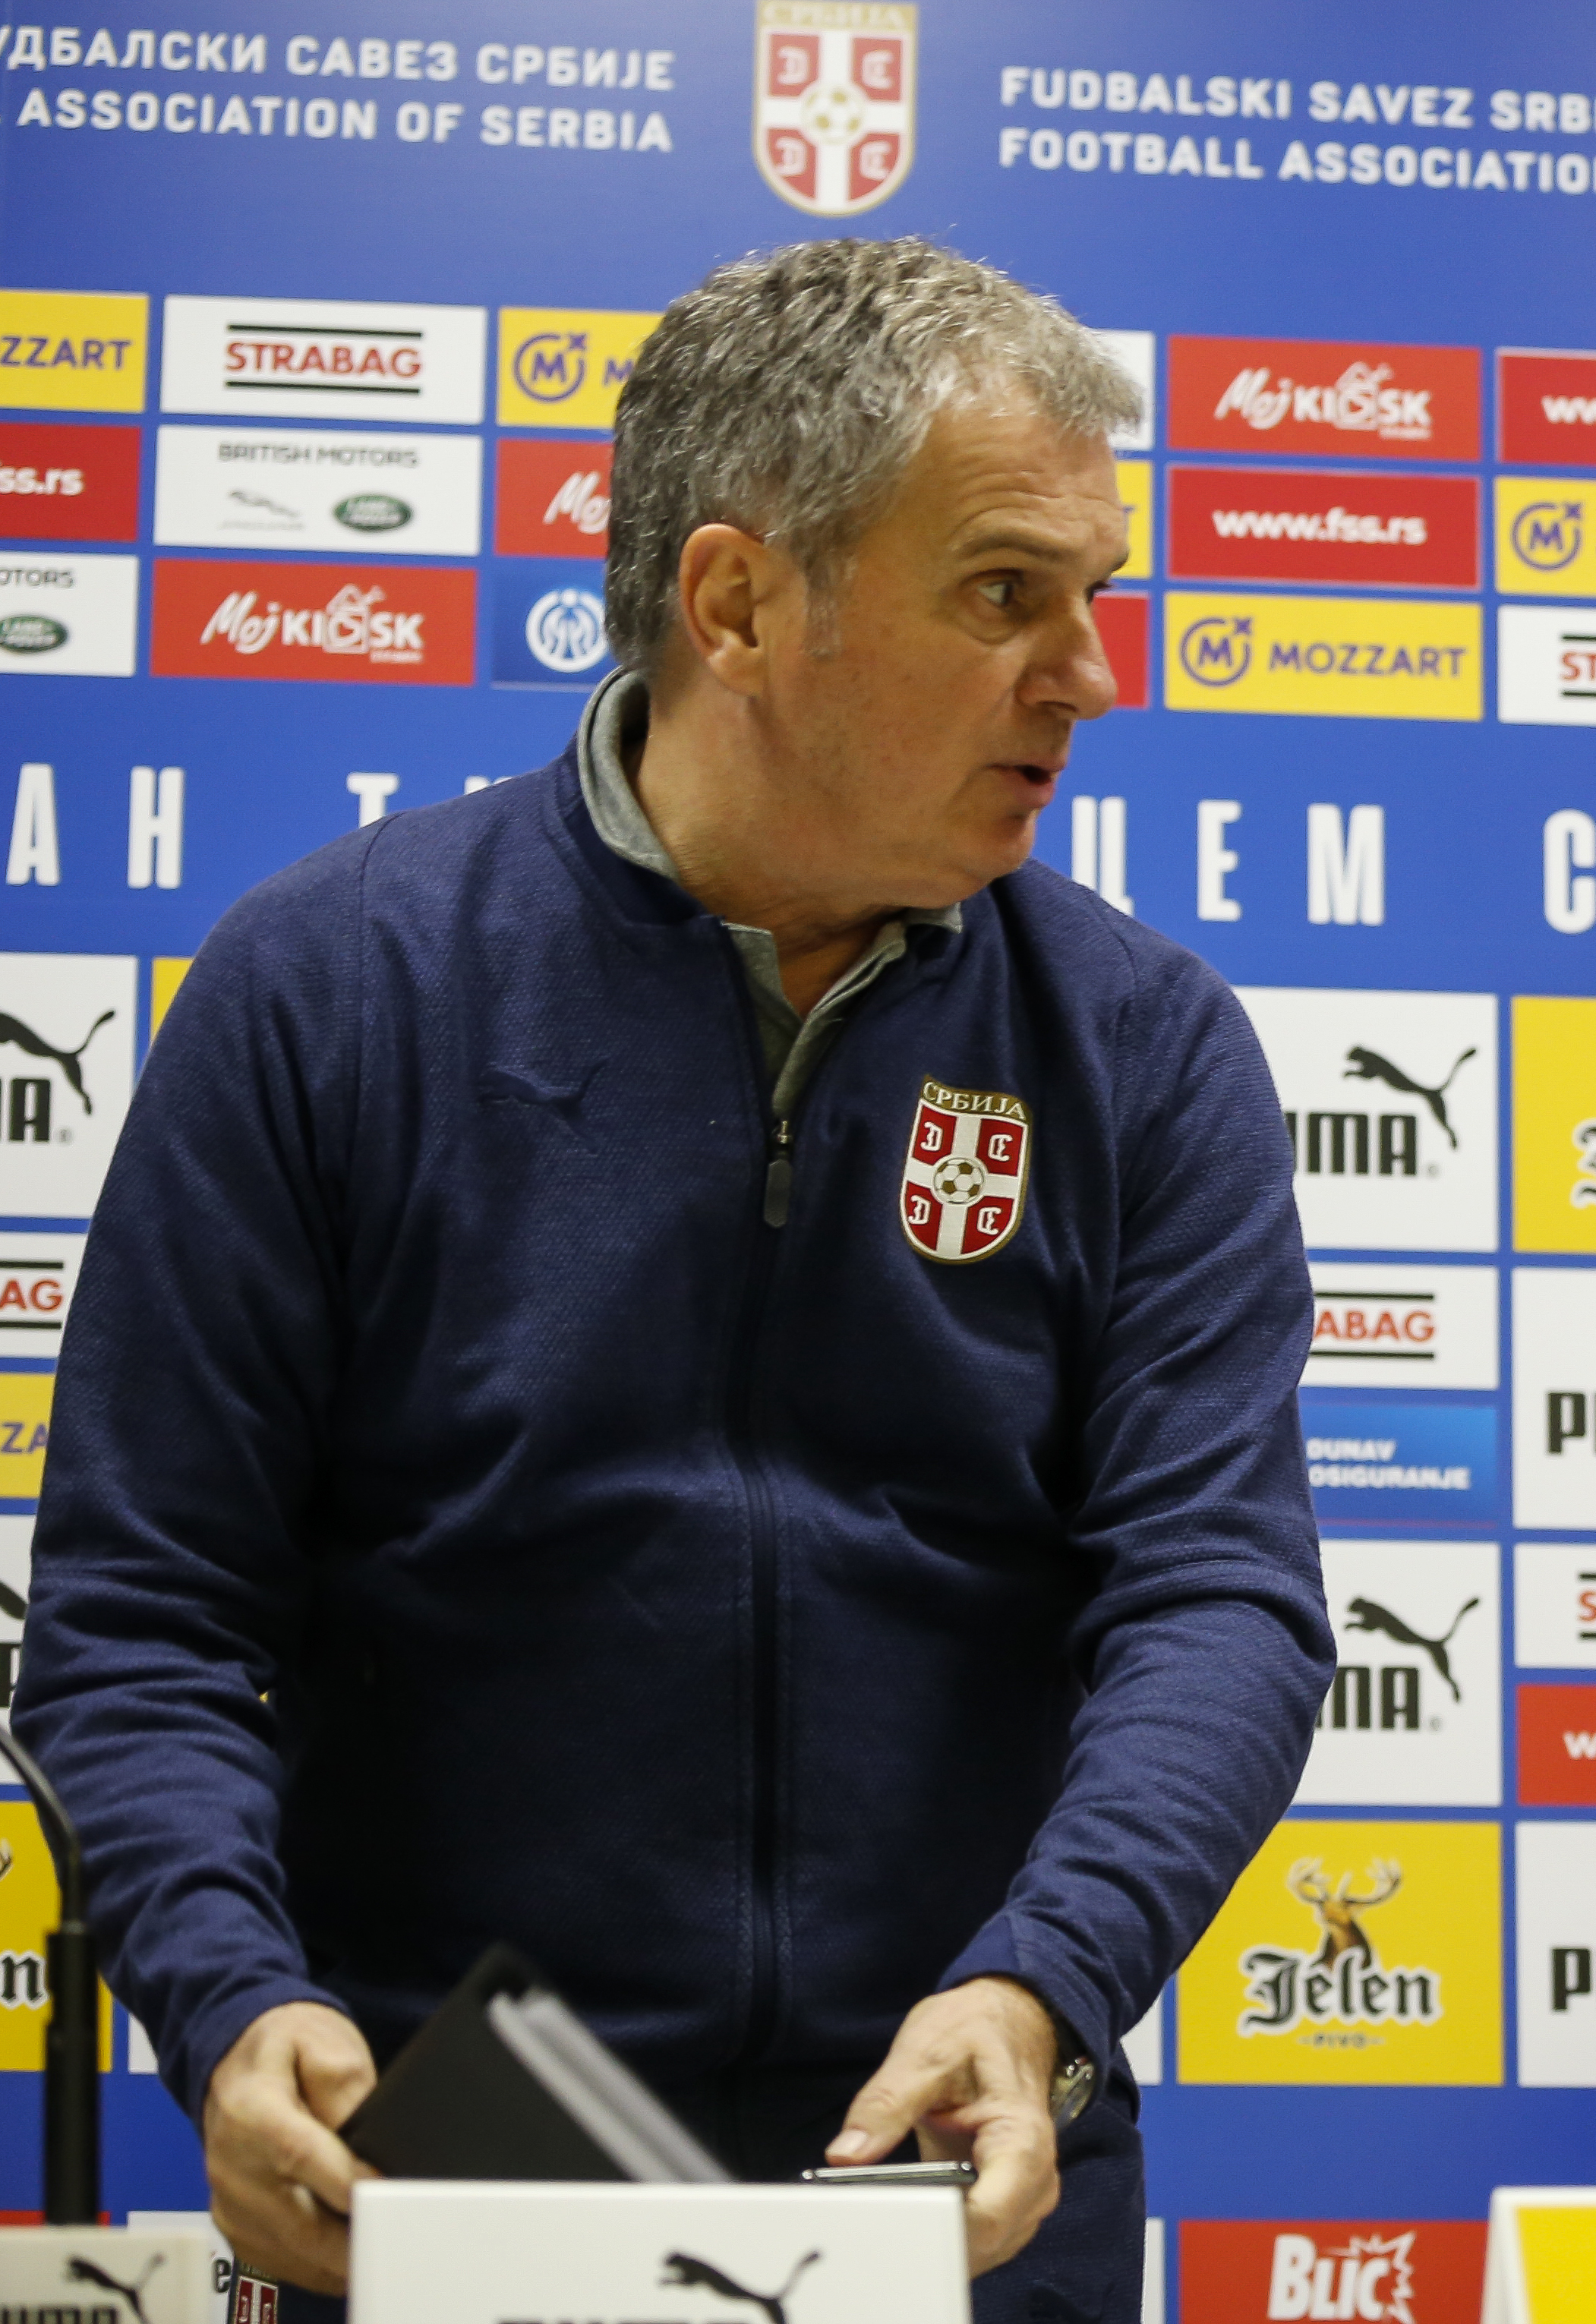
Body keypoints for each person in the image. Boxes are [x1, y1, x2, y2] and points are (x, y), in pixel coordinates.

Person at [16, 239, 1329, 2319]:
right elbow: (140, 1609)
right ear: (735, 602)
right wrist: (228, 1993)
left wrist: (1042, 1978)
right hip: (445, 2168)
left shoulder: (1144, 1047)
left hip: (962, 2171)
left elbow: (1219, 1595)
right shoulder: (331, 986)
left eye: (1098, 593)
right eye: (1005, 590)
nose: (1090, 668)